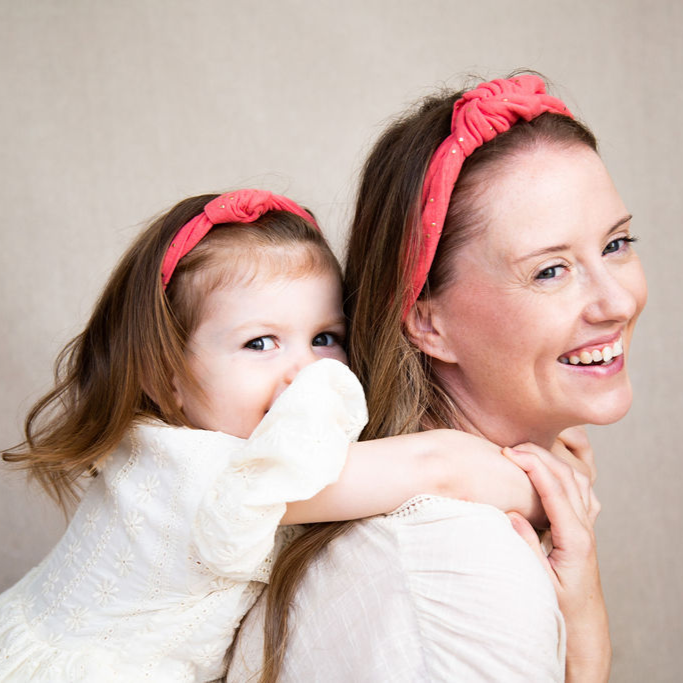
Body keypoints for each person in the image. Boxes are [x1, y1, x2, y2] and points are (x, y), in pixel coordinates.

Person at [0, 188, 555, 682]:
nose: (306, 372)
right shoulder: (206, 479)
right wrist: (552, 483)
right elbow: (439, 466)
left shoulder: (203, 451)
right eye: (261, 343)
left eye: (324, 338)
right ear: (166, 379)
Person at [226, 75, 647, 682]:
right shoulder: (461, 571)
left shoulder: (458, 519)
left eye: (617, 244)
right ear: (427, 322)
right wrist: (591, 647)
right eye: (550, 271)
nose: (616, 302)